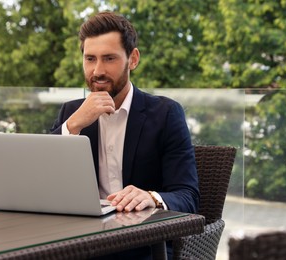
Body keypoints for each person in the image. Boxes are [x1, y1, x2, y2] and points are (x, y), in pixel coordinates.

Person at [50, 11, 199, 259]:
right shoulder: (70, 113)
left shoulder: (166, 114)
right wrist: (72, 125)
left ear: (133, 59)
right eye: (90, 59)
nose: (97, 71)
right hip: (79, 244)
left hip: (145, 246)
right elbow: (43, 184)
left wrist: (150, 196)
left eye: (109, 58)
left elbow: (188, 196)